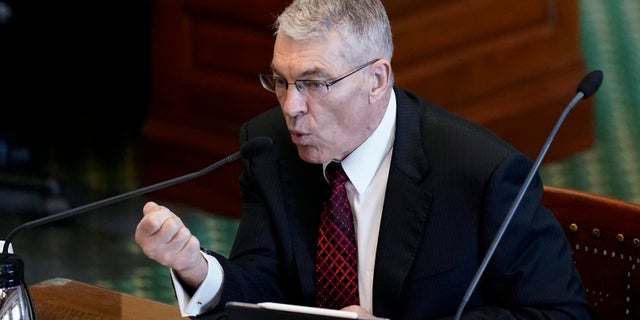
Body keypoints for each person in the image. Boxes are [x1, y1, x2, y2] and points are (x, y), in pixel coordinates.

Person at [135, 0, 592, 319]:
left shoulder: (483, 173)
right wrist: (197, 268)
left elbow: (559, 313)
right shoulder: (269, 145)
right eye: (280, 81)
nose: (291, 107)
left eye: (314, 83)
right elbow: (262, 285)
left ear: (377, 80)